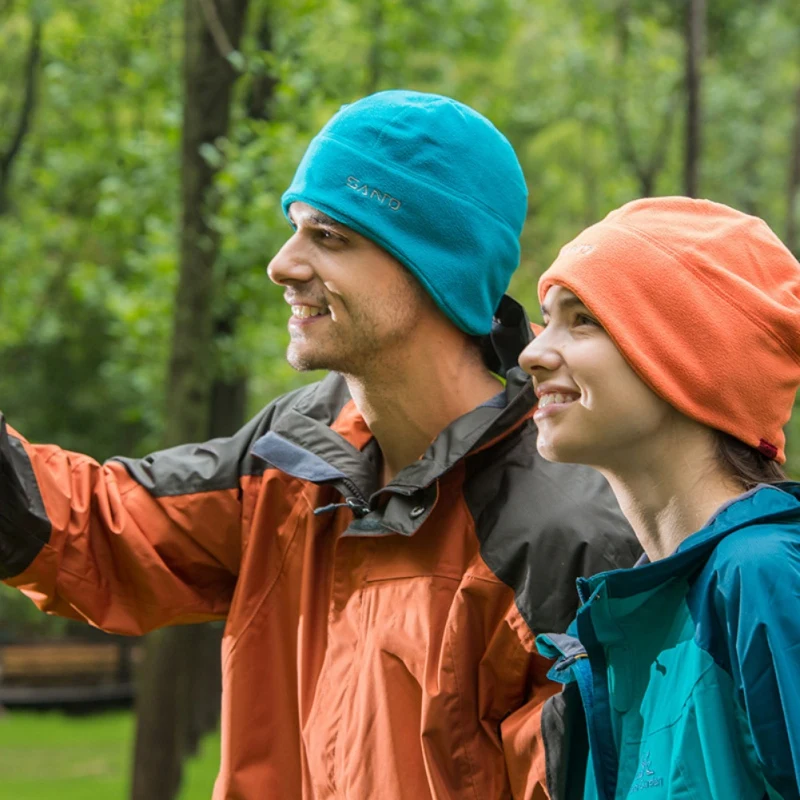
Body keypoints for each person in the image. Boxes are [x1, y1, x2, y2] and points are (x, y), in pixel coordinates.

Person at [0, 90, 639, 799]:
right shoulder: (290, 452)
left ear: (436, 271)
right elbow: (96, 526)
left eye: (329, 237)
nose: (282, 264)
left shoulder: (565, 535)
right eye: (296, 228)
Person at [518, 196, 800, 799]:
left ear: (687, 362)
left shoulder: (762, 578)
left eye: (583, 318)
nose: (533, 353)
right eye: (547, 318)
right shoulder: (635, 615)